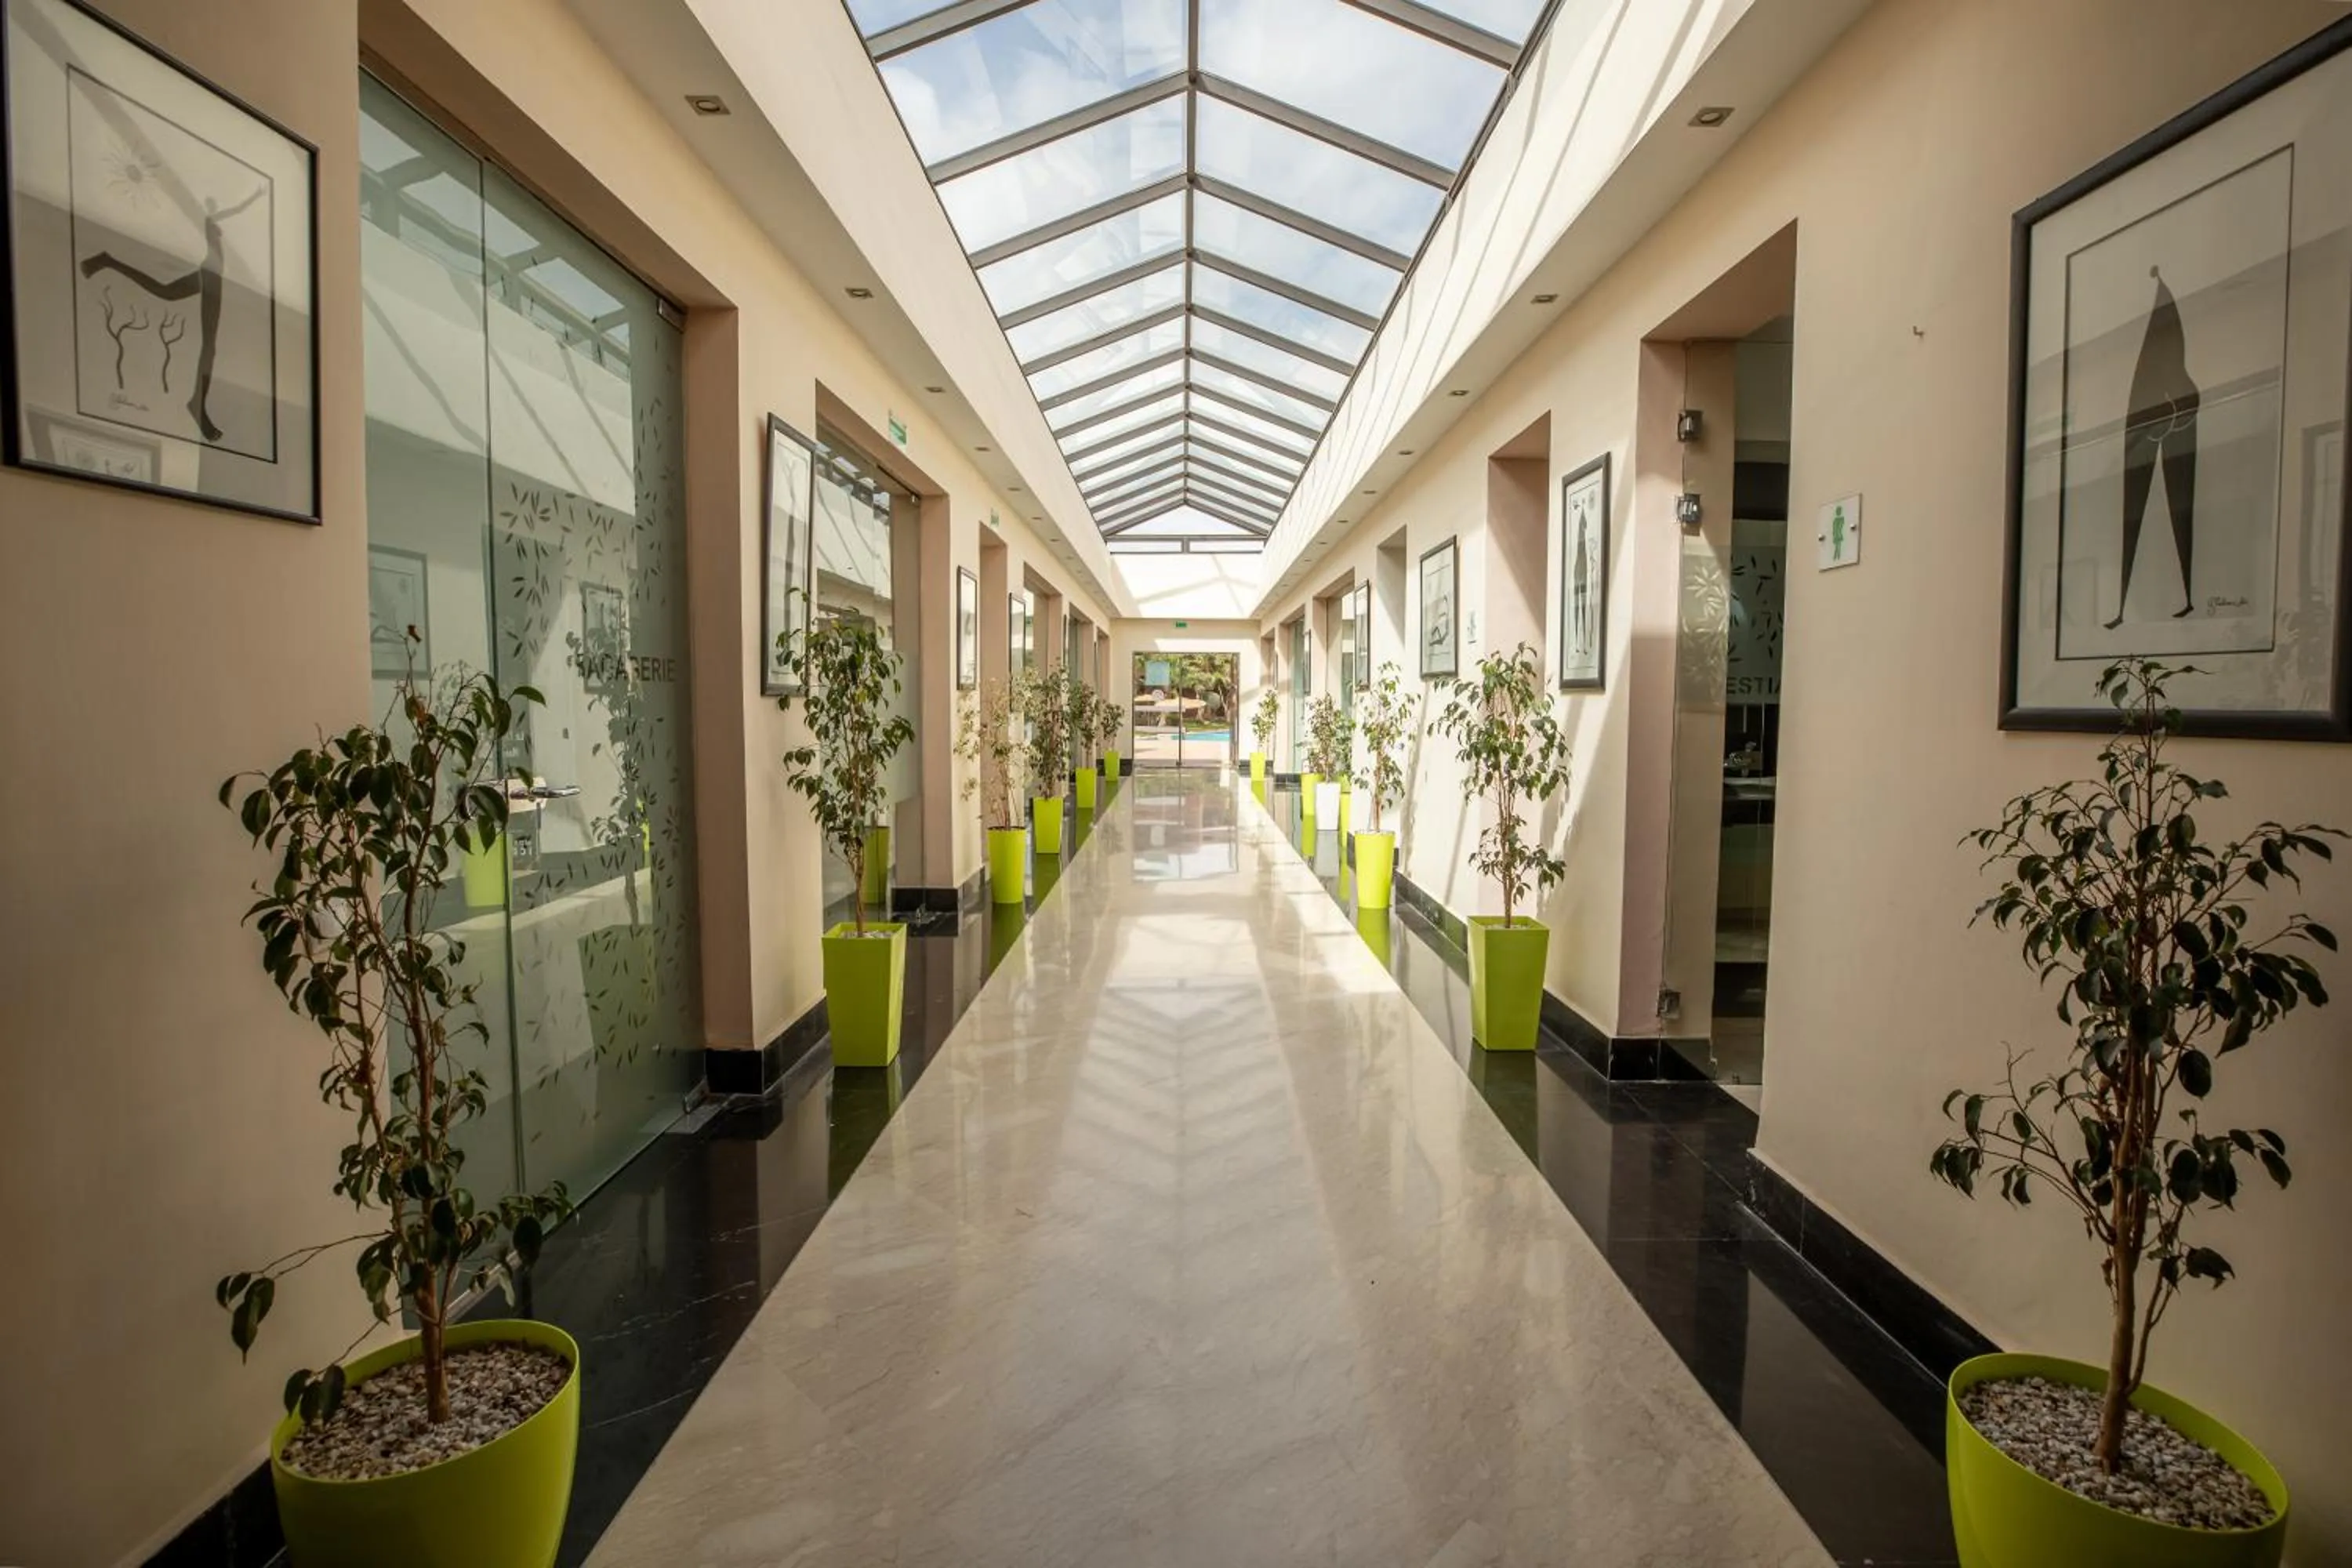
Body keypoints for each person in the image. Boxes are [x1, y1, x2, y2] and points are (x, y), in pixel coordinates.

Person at [79, 183, 266, 444]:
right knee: (209, 344)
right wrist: (255, 197)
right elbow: (235, 210)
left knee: (165, 292)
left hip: (211, 274)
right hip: (211, 276)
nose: (213, 207)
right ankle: (198, 405)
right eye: (211, 203)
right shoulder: (211, 220)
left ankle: (107, 261)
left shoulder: (212, 224)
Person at [2108, 266, 2200, 629]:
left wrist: (2177, 415)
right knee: (2137, 511)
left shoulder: (2170, 370)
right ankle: (2124, 608)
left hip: (2165, 428)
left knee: (2179, 506)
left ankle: (2187, 597)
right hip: (2149, 431)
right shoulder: (2148, 378)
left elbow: (2186, 394)